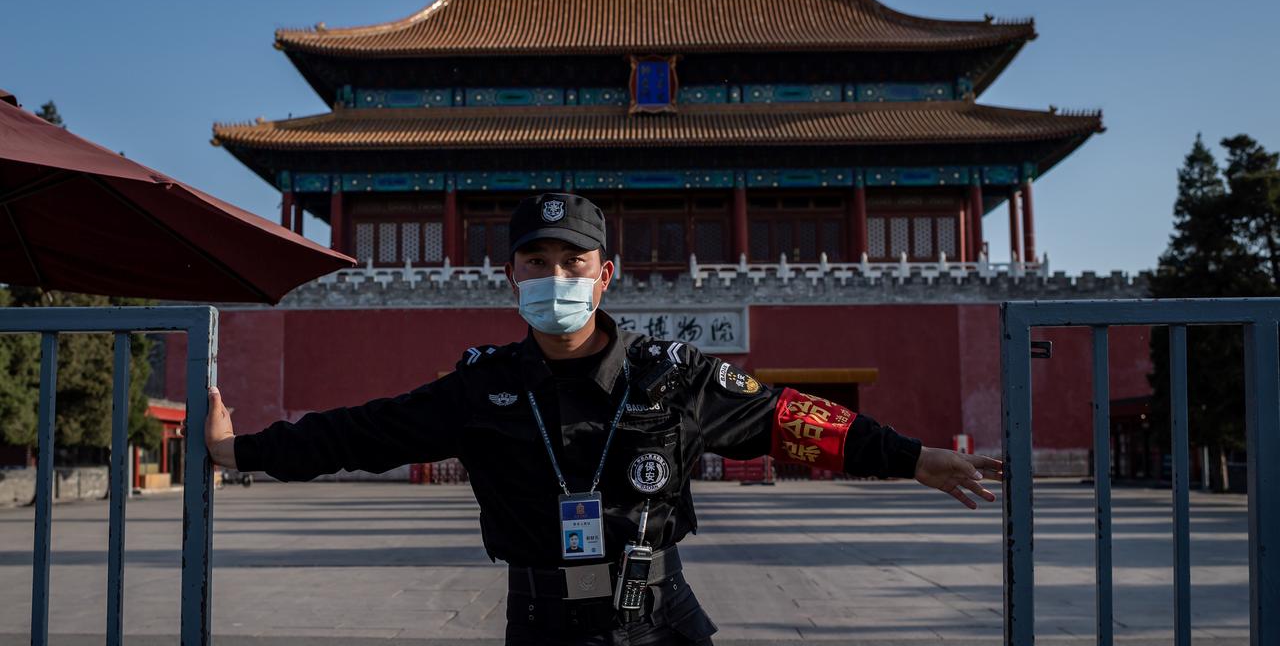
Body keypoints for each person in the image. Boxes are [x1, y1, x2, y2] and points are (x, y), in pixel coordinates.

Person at [205, 192, 1002, 645]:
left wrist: (912, 457)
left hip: (661, 613)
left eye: (572, 263)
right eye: (537, 263)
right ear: (510, 274)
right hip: (541, 616)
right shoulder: (478, 389)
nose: (555, 278)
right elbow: (358, 433)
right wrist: (239, 449)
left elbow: (790, 418)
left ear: (605, 275)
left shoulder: (674, 375)